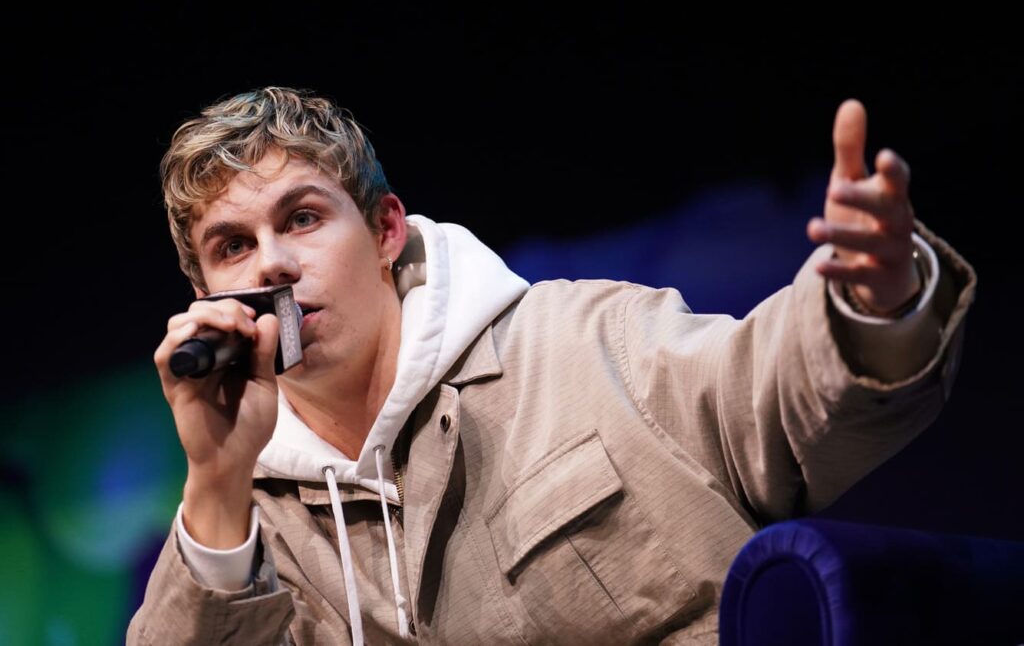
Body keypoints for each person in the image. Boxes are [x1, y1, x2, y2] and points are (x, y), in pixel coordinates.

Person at [127, 86, 976, 645]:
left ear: (387, 231)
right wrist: (213, 481)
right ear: (204, 291)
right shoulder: (242, 518)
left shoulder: (582, 344)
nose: (270, 265)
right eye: (233, 245)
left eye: (303, 218)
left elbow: (776, 388)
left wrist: (873, 301)